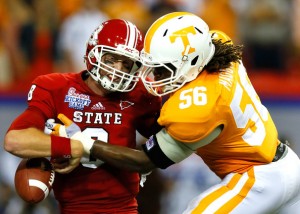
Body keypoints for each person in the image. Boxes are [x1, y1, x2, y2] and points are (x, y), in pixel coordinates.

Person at [47, 12, 300, 213]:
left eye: (163, 70)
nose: (154, 77)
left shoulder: (199, 109)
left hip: (260, 179)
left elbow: (146, 160)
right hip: (287, 164)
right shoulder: (218, 47)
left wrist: (87, 145)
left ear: (192, 64)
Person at [4, 19, 162, 213]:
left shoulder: (140, 94)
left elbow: (165, 142)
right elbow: (14, 140)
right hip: (72, 208)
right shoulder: (57, 88)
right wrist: (73, 146)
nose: (118, 70)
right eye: (111, 59)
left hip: (123, 208)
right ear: (94, 53)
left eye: (127, 64)